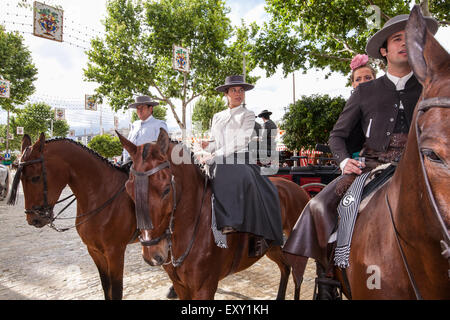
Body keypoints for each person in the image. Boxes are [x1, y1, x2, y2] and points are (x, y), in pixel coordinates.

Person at [283, 13, 439, 299]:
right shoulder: (365, 91)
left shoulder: (432, 84)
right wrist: (344, 160)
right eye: (397, 38)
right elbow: (337, 136)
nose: (405, 42)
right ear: (384, 50)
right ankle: (327, 277)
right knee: (318, 206)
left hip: (422, 171)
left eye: (410, 36)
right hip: (372, 169)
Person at [200, 75, 283, 256]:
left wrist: (215, 155)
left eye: (241, 90)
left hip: (241, 158)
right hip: (219, 158)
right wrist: (208, 146)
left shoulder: (248, 114)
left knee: (223, 168)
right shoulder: (217, 116)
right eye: (234, 90)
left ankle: (233, 222)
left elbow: (241, 140)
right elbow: (216, 142)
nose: (238, 93)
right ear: (226, 94)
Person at [121, 95, 168, 164]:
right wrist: (125, 163)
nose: (139, 111)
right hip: (129, 167)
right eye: (137, 108)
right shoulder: (134, 125)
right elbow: (127, 146)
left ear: (150, 109)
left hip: (147, 169)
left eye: (142, 107)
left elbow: (162, 149)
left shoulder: (159, 124)